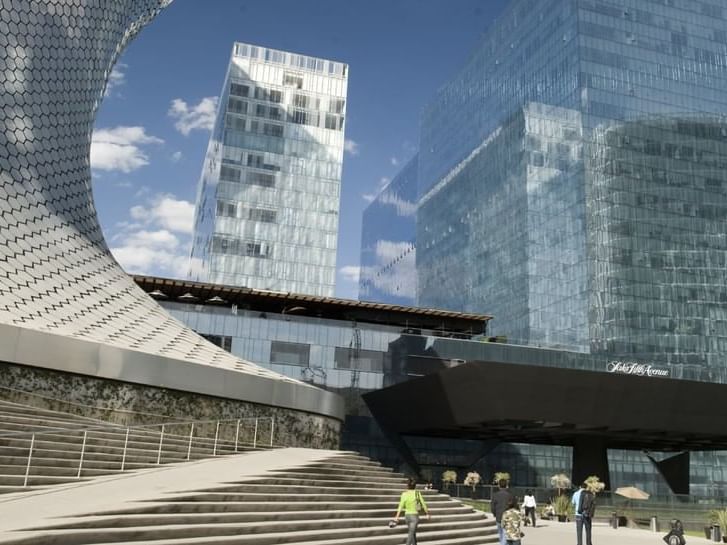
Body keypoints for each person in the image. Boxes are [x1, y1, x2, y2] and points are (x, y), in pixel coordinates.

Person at [394, 478, 430, 545]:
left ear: (407, 486)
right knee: (411, 533)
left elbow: (400, 506)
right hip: (414, 516)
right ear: (415, 486)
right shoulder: (417, 493)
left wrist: (397, 516)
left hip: (407, 516)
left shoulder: (404, 494)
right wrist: (427, 513)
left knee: (412, 533)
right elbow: (423, 503)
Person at [491, 478, 515, 545]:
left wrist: (495, 514)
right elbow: (515, 507)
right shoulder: (511, 495)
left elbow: (492, 507)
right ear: (506, 485)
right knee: (505, 534)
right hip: (508, 517)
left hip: (498, 517)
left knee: (501, 534)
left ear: (499, 485)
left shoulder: (495, 495)